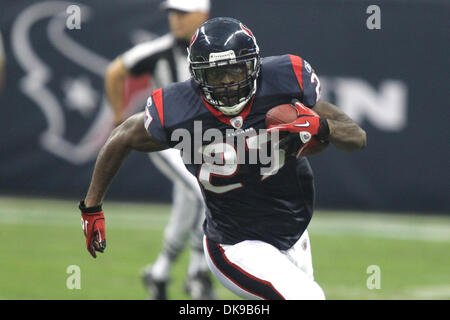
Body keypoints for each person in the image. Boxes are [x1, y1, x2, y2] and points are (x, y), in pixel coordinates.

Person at [81, 17, 367, 299]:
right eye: (217, 75)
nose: (228, 83)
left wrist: (320, 126)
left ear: (253, 65)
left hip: (294, 232)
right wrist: (91, 207)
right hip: (235, 244)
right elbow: (122, 138)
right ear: (197, 76)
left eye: (235, 70)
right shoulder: (179, 109)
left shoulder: (283, 81)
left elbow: (356, 137)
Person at [104, 0, 215, 300]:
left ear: (202, 14)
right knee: (206, 190)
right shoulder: (159, 49)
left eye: (182, 13)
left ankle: (159, 272)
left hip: (204, 143)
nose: (175, 20)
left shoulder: (216, 48)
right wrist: (118, 118)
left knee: (187, 205)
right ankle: (197, 273)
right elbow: (115, 71)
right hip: (168, 140)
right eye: (172, 13)